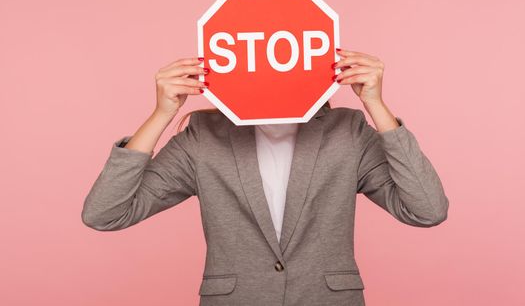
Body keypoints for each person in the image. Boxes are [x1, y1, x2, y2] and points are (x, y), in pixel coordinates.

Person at [81, 49, 449, 306]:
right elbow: (105, 212)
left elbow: (427, 209)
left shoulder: (347, 131)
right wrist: (161, 114)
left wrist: (377, 106)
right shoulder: (203, 135)